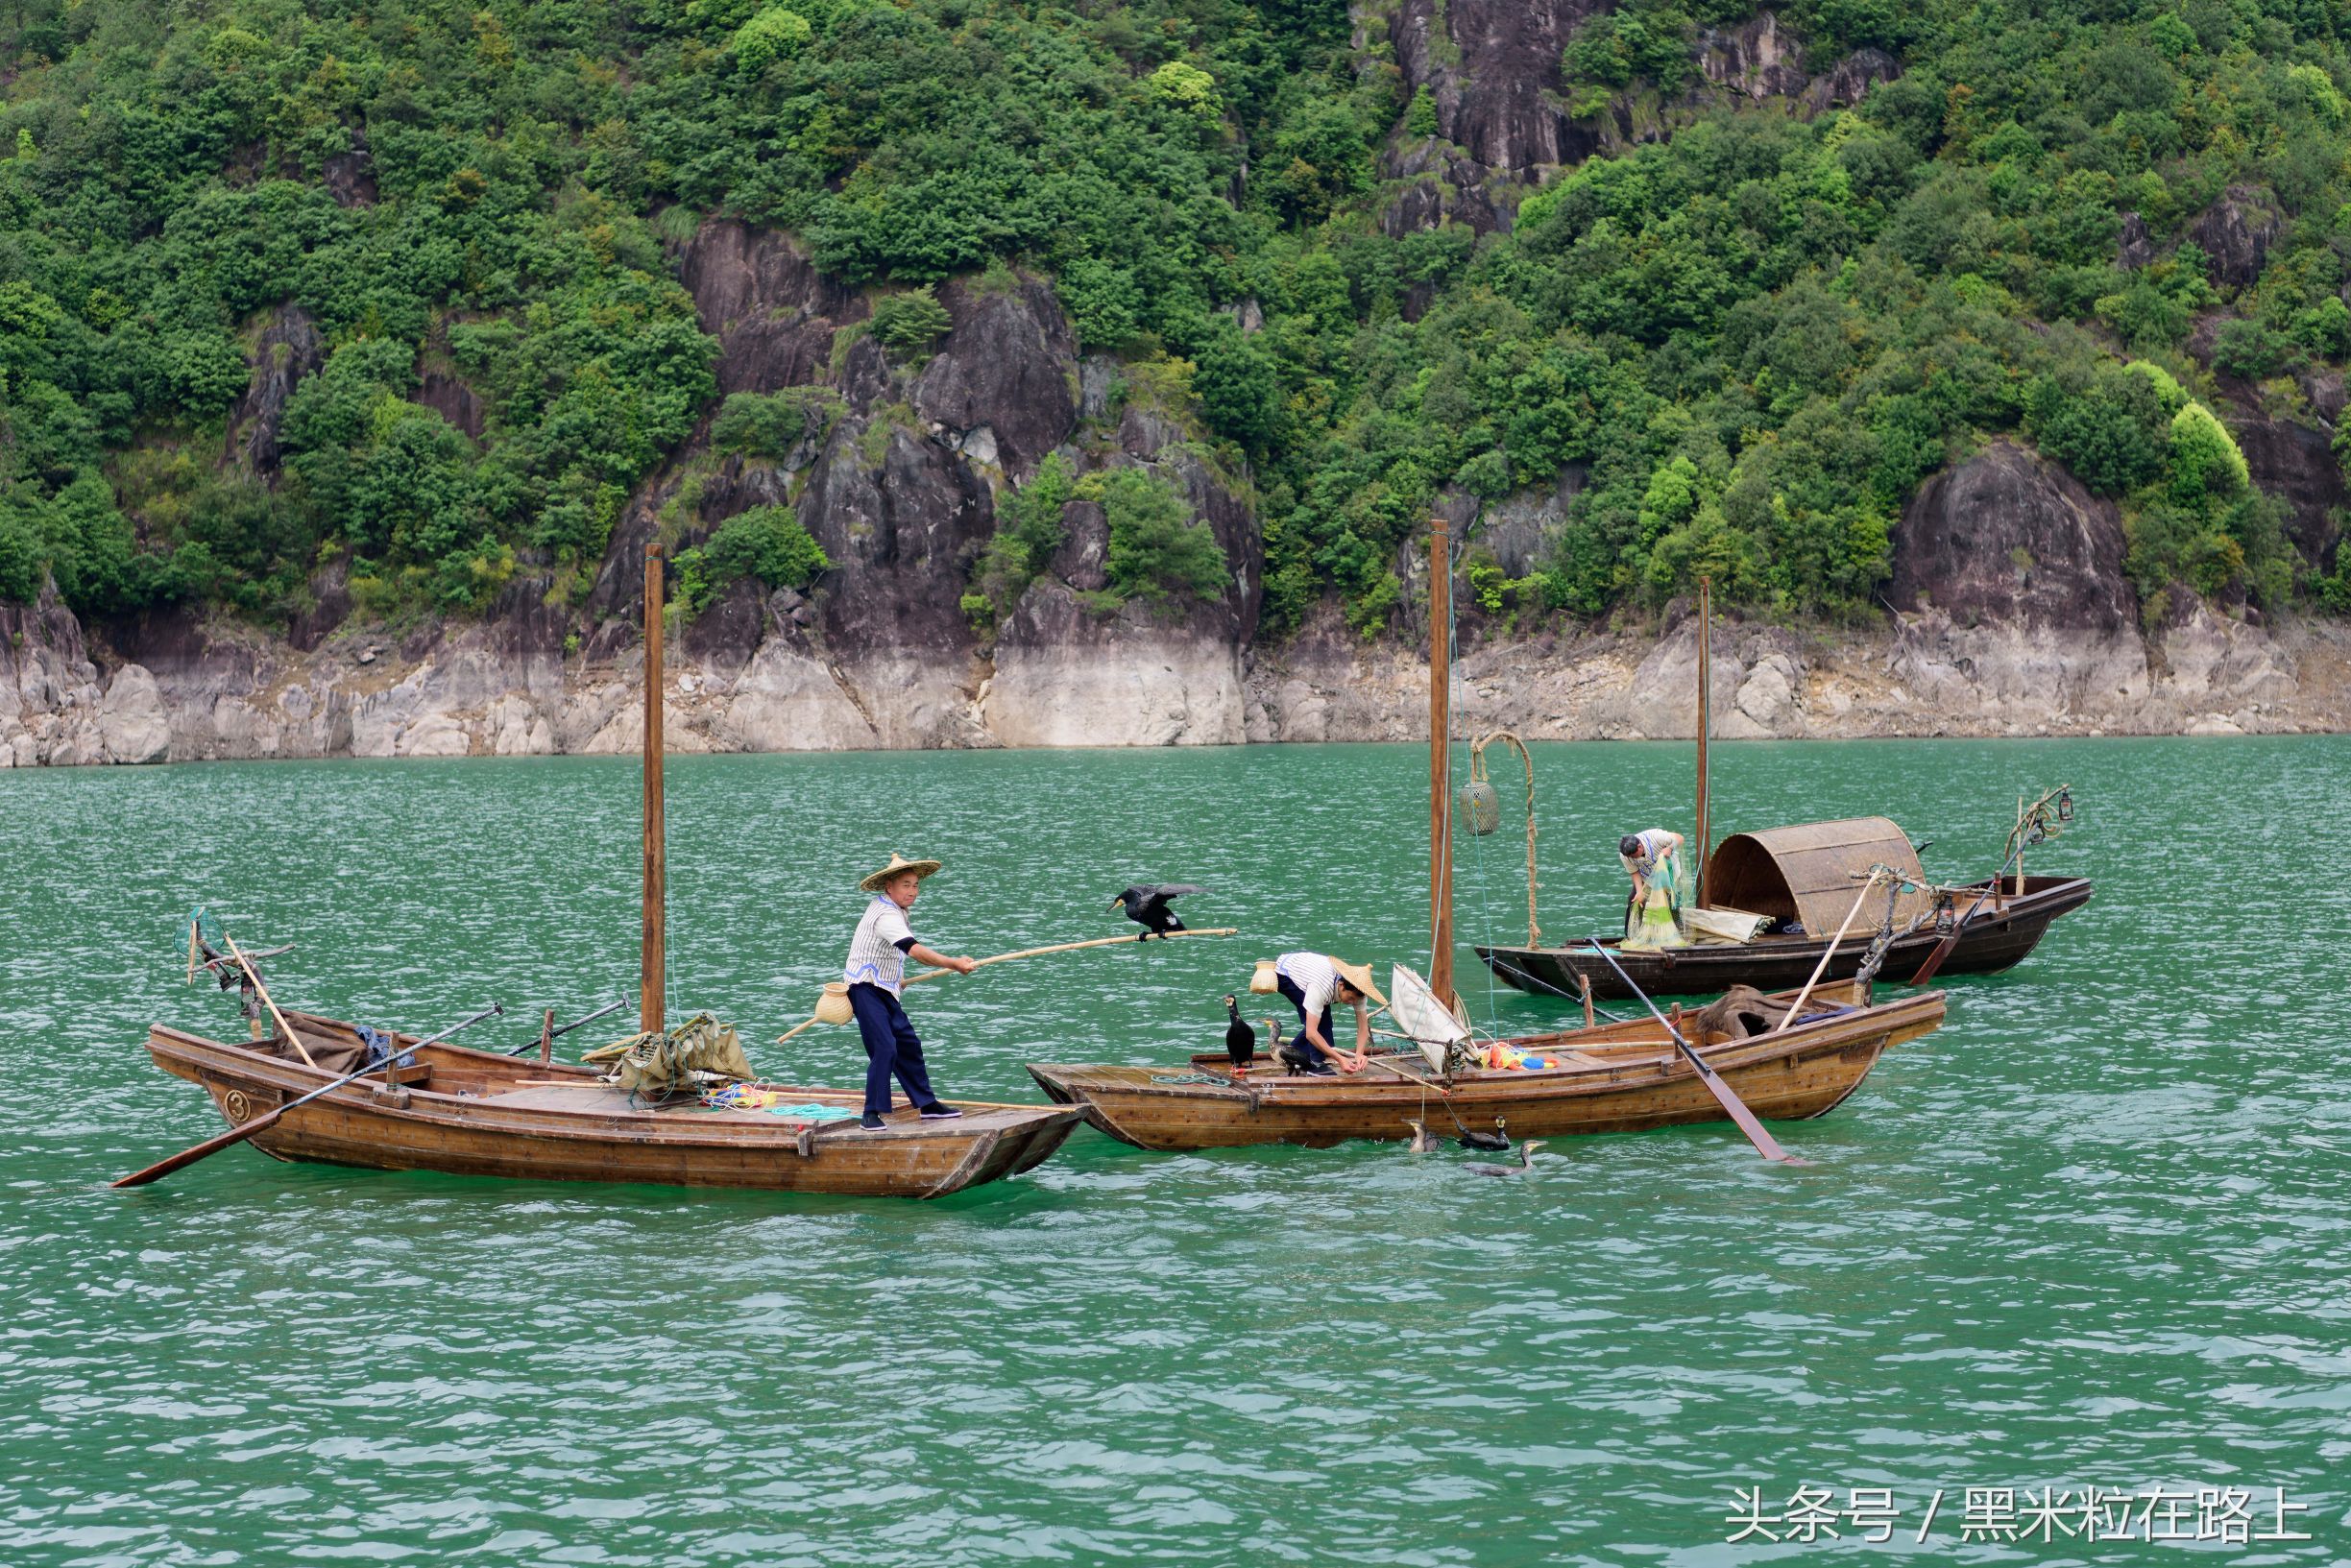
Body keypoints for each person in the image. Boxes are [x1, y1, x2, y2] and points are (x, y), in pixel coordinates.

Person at [843, 853, 978, 1130]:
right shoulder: (885, 914)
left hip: (885, 989)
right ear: (888, 887)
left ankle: (927, 1105)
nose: (912, 891)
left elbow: (889, 952)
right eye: (906, 885)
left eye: (915, 885)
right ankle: (871, 1113)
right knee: (884, 1047)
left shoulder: (898, 911)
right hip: (864, 989)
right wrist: (953, 963)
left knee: (907, 1043)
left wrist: (898, 978)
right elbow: (914, 950)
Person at [1271, 953, 1386, 1075]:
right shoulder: (1320, 988)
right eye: (1350, 998)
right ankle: (1315, 1064)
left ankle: (1295, 1054)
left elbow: (1363, 1027)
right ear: (1341, 985)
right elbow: (1311, 1033)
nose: (1352, 1002)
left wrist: (1359, 1055)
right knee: (1321, 1025)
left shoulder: (1359, 992)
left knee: (1324, 1026)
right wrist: (1340, 1059)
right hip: (1286, 973)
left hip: (1310, 972)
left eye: (1355, 1000)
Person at [1617, 828, 1685, 943]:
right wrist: (1639, 891)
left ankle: (1678, 934)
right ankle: (1632, 936)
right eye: (1630, 857)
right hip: (1648, 878)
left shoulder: (1656, 837)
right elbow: (1634, 872)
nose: (1633, 858)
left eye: (1634, 856)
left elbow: (1680, 838)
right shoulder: (1625, 856)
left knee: (1672, 903)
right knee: (1634, 900)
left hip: (1670, 874)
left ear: (1639, 846)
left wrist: (1669, 848)